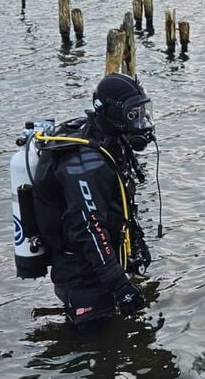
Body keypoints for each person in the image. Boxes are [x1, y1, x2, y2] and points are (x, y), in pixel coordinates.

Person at [32, 73, 156, 325]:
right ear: (111, 113)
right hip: (82, 276)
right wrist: (121, 286)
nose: (141, 122)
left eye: (142, 112)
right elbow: (89, 228)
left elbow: (120, 204)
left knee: (116, 348)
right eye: (133, 115)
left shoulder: (109, 141)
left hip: (100, 265)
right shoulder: (85, 163)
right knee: (92, 348)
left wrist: (137, 245)